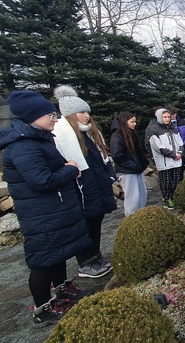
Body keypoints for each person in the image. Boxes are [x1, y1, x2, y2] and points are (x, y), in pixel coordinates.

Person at [0, 90, 91, 327]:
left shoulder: (38, 139)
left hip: (52, 211)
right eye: (50, 115)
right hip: (41, 215)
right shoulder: (24, 146)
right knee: (43, 261)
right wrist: (70, 168)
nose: (55, 118)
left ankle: (61, 290)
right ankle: (42, 309)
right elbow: (42, 181)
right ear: (33, 117)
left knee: (58, 253)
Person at [52, 86, 116, 279]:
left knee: (96, 223)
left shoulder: (90, 134)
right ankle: (85, 263)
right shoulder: (63, 137)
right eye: (82, 112)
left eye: (87, 111)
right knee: (84, 226)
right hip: (82, 190)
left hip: (96, 187)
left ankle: (96, 256)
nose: (87, 115)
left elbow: (102, 158)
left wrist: (109, 176)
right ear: (71, 115)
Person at [110, 112, 149, 216]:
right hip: (127, 172)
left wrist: (142, 163)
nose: (135, 124)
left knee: (142, 194)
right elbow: (117, 155)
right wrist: (134, 165)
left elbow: (138, 151)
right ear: (124, 122)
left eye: (135, 121)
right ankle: (131, 219)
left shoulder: (132, 133)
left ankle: (141, 216)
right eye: (132, 122)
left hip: (136, 170)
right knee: (133, 198)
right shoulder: (117, 136)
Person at [149, 108, 184, 209]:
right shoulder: (154, 129)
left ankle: (175, 198)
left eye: (168, 117)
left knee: (177, 181)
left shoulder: (173, 128)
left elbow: (180, 142)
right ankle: (167, 199)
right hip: (165, 163)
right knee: (166, 183)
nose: (167, 119)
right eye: (165, 117)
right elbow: (158, 147)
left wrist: (180, 153)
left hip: (176, 161)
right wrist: (172, 155)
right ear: (160, 117)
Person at [167, 105, 185, 180]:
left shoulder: (183, 122)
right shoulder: (166, 124)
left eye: (175, 113)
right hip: (171, 151)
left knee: (182, 168)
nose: (174, 115)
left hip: (183, 149)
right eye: (172, 114)